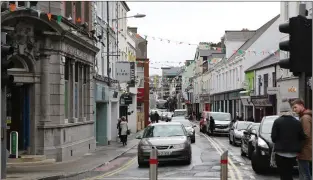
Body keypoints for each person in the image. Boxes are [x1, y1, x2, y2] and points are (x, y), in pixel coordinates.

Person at [271, 100, 306, 180]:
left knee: (283, 175)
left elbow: (273, 138)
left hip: (280, 153)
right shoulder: (297, 122)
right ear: (290, 110)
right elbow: (302, 137)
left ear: (281, 111)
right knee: (289, 174)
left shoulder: (277, 122)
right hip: (293, 154)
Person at [291, 99, 312, 180]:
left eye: (295, 107)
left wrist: (299, 148)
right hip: (307, 149)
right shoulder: (305, 117)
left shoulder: (305, 118)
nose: (294, 110)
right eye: (293, 108)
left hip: (305, 150)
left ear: (301, 105)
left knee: (305, 174)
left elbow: (306, 135)